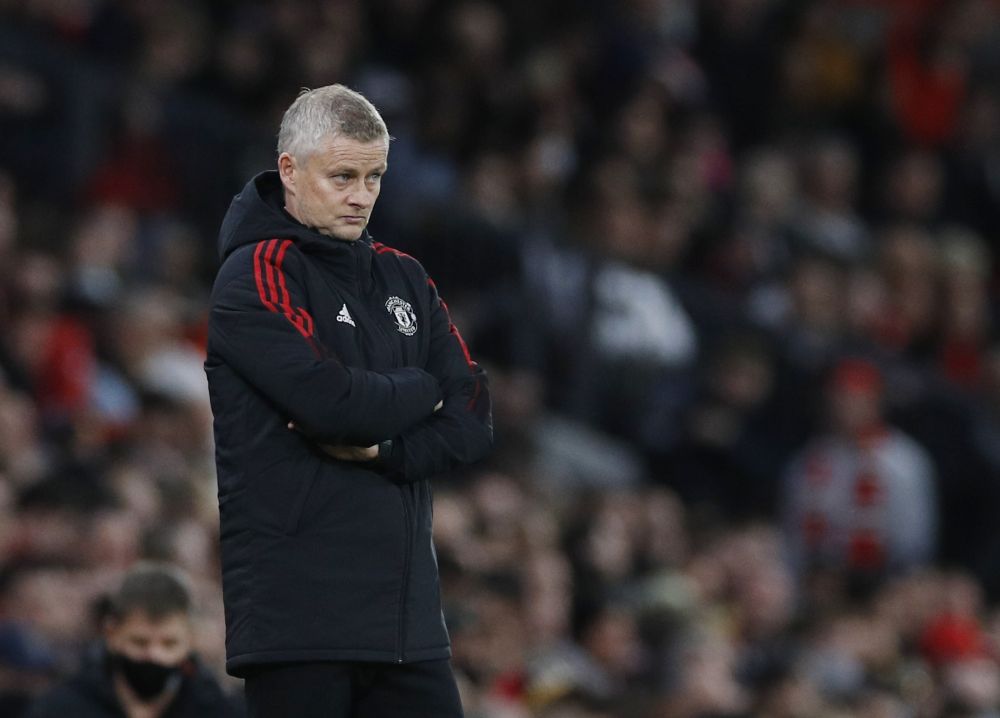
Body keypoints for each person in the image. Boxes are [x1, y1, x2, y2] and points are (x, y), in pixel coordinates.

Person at [204, 84, 493, 716]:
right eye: (343, 177)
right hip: (300, 621)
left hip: (408, 626)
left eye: (374, 177)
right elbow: (332, 406)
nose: (361, 196)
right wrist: (424, 387)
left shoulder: (404, 275)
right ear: (290, 170)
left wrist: (389, 449)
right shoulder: (257, 272)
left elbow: (474, 415)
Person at [27, 562, 240, 718]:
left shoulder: (218, 710)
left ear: (190, 639)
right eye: (139, 642)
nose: (154, 655)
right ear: (111, 634)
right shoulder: (61, 708)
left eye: (169, 644)